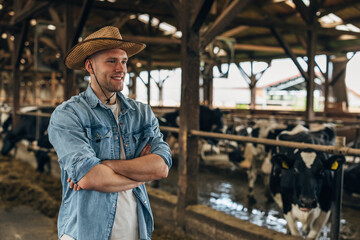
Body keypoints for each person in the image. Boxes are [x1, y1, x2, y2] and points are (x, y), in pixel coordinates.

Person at [48, 26, 172, 240]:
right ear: (90, 66)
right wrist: (141, 176)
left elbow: (160, 168)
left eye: (123, 61)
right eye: (111, 61)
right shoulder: (68, 114)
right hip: (85, 233)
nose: (121, 68)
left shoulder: (142, 113)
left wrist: (104, 165)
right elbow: (90, 178)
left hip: (136, 231)